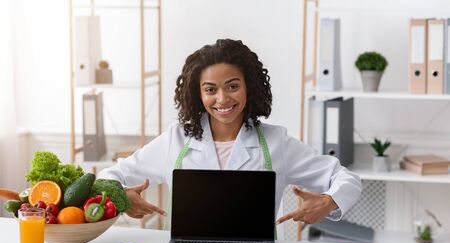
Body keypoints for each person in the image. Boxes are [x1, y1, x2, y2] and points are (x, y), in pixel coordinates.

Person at [98, 39, 361, 226]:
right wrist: (121, 196)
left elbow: (346, 178)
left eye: (232, 86)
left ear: (250, 87)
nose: (222, 99)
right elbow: (109, 175)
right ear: (198, 94)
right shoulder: (175, 140)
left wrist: (329, 202)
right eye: (210, 89)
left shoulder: (276, 142)